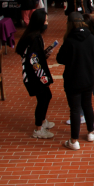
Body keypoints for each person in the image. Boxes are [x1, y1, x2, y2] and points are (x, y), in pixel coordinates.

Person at [56, 12, 94, 150]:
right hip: (88, 78)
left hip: (72, 80)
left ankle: (74, 141)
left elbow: (60, 59)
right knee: (87, 105)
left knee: (75, 109)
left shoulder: (69, 40)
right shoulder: (91, 37)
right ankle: (91, 132)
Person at [15, 9, 56, 139]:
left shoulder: (33, 35)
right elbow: (34, 61)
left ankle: (43, 121)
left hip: (34, 73)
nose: (47, 23)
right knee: (43, 98)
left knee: (46, 96)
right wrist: (44, 79)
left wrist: (44, 55)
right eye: (45, 21)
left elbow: (35, 56)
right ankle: (38, 128)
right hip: (34, 76)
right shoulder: (34, 38)